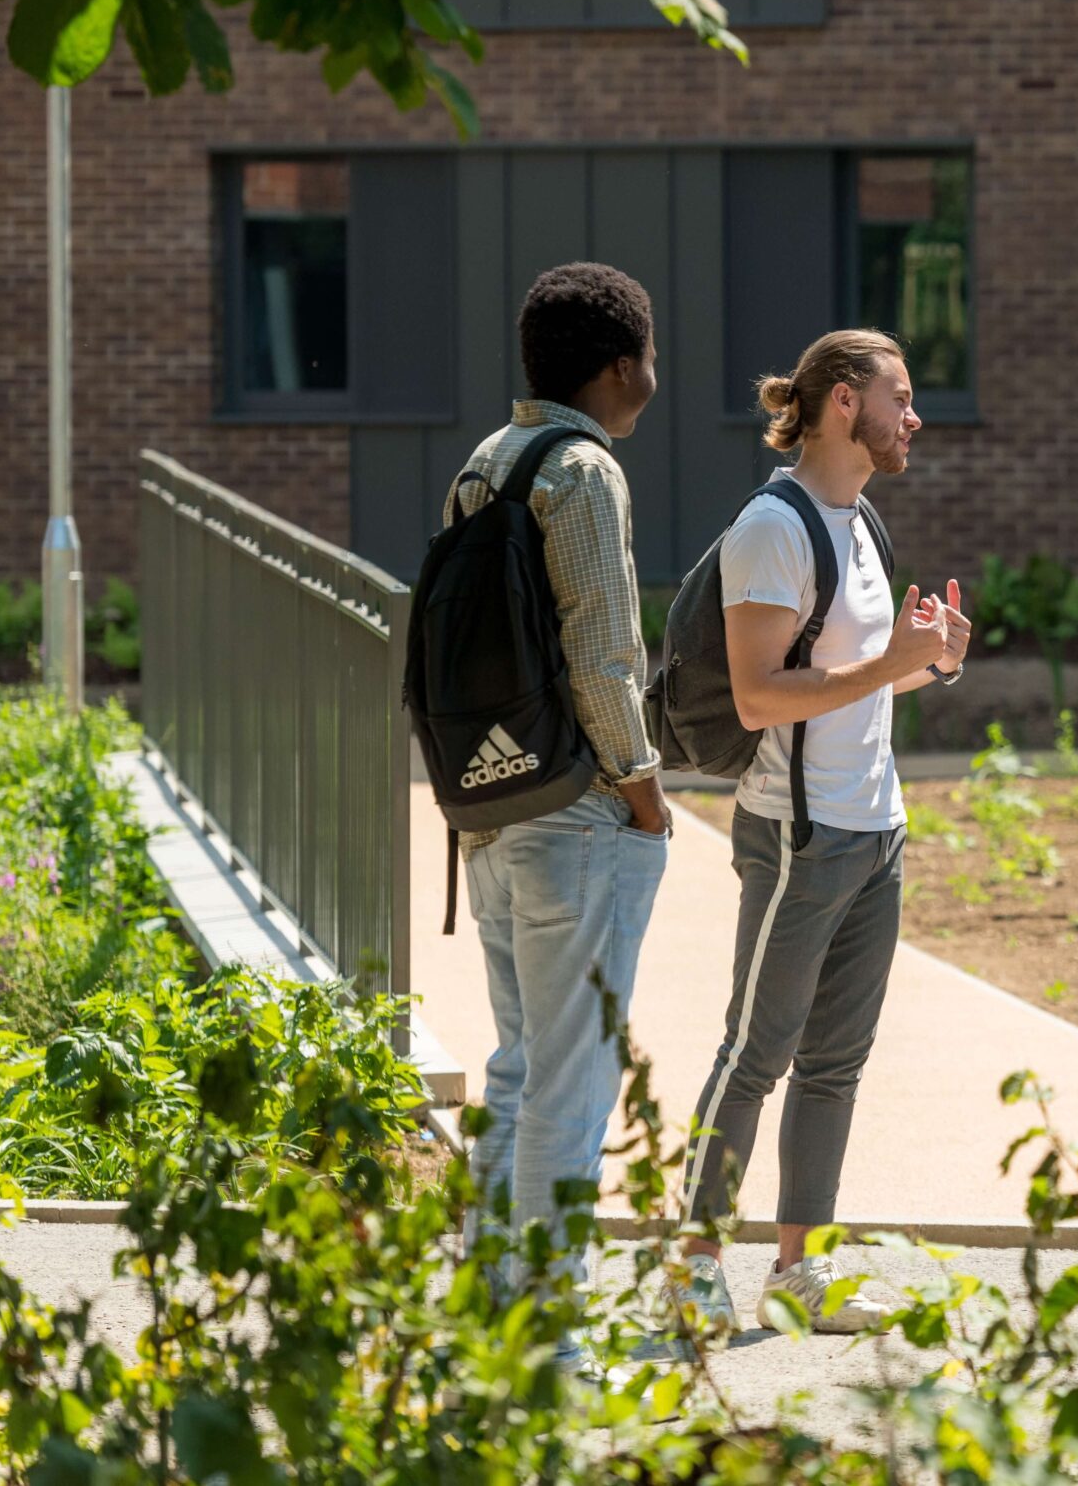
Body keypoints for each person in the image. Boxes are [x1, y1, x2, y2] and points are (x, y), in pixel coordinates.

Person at [674, 329, 971, 1336]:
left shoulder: (862, 523)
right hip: (797, 835)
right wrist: (893, 665)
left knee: (835, 1062)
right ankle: (694, 1265)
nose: (913, 416)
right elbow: (759, 696)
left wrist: (933, 661)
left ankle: (801, 1271)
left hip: (874, 828)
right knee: (755, 1051)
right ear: (843, 402)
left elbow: (861, 682)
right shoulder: (774, 526)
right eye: (900, 396)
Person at [451, 262, 672, 1353]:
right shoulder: (583, 472)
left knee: (517, 1064)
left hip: (490, 805)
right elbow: (600, 652)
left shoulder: (484, 464)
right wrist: (645, 794)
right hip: (575, 809)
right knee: (573, 1084)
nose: (654, 380)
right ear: (621, 364)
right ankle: (545, 1336)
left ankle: (483, 1302)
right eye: (650, 359)